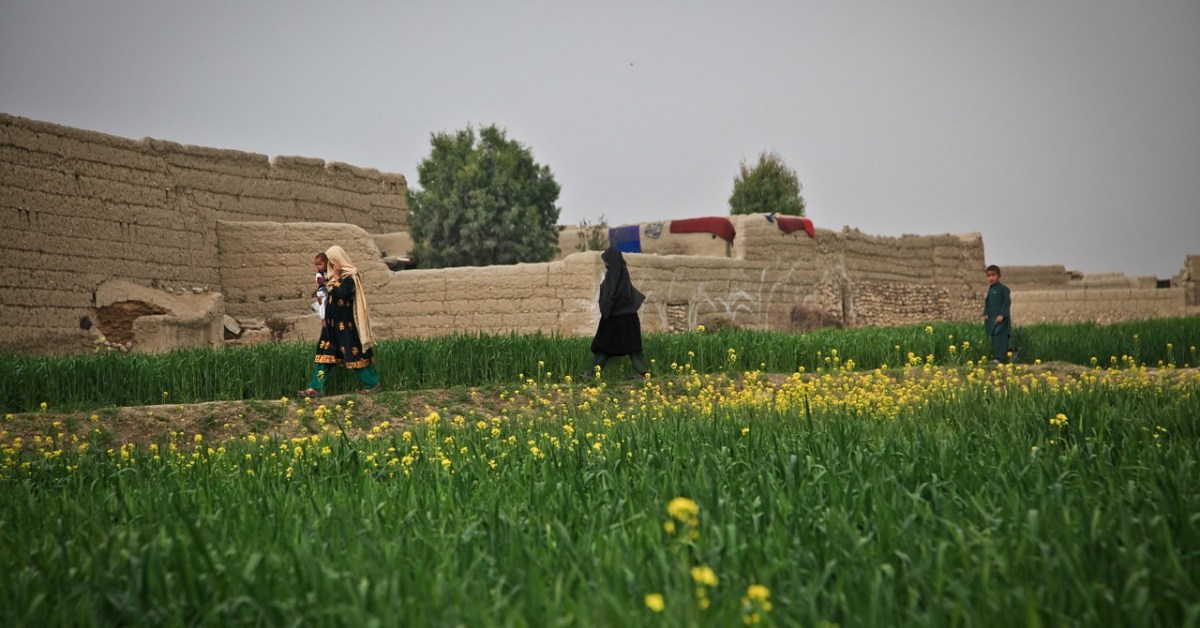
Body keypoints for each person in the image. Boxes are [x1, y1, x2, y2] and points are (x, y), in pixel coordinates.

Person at [297, 245, 382, 397]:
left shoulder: (350, 278)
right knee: (323, 357)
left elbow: (343, 293)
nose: (329, 266)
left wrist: (336, 277)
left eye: (330, 262)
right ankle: (315, 388)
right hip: (330, 328)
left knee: (354, 356)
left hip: (346, 328)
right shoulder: (329, 280)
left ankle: (372, 383)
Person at [582, 245, 649, 379]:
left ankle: (642, 373)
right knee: (610, 346)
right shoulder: (620, 272)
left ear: (611, 261)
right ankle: (594, 372)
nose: (605, 264)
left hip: (619, 317)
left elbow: (613, 294)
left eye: (607, 261)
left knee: (619, 346)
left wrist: (607, 307)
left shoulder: (616, 273)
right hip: (621, 316)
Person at [983, 264, 1012, 363]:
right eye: (989, 275)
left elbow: (1007, 302)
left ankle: (999, 359)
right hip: (992, 319)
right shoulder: (991, 289)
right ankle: (1010, 352)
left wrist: (1002, 315)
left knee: (1001, 337)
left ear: (999, 276)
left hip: (1001, 319)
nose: (991, 278)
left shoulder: (1003, 289)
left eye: (993, 275)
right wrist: (986, 313)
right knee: (995, 338)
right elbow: (987, 302)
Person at [311, 252, 329, 319]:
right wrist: (325, 280)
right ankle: (323, 318)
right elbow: (319, 281)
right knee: (322, 303)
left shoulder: (327, 272)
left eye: (320, 264)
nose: (318, 266)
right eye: (317, 265)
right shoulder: (319, 274)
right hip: (322, 291)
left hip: (326, 290)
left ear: (326, 263)